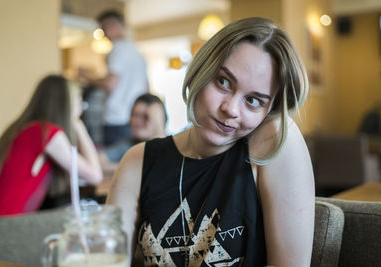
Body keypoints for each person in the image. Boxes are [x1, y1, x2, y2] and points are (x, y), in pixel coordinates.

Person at [107, 17, 314, 266]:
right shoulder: (137, 161)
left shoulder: (274, 143)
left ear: (269, 111)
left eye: (253, 101)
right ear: (201, 70)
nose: (230, 109)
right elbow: (108, 259)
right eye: (223, 82)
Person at [0, 75, 103, 215]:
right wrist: (78, 124)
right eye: (79, 102)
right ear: (67, 104)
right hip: (8, 225)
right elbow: (95, 175)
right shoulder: (46, 133)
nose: (81, 108)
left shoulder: (24, 128)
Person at [79, 10, 149, 146]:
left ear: (113, 25)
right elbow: (146, 87)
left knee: (114, 163)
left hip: (116, 118)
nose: (104, 34)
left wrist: (87, 76)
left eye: (104, 28)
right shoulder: (137, 51)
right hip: (134, 118)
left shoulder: (117, 49)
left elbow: (111, 84)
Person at [100, 93, 167, 173]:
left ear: (160, 120)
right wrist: (134, 168)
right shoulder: (129, 144)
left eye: (146, 116)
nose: (138, 121)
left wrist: (158, 130)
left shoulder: (175, 144)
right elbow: (98, 161)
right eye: (135, 115)